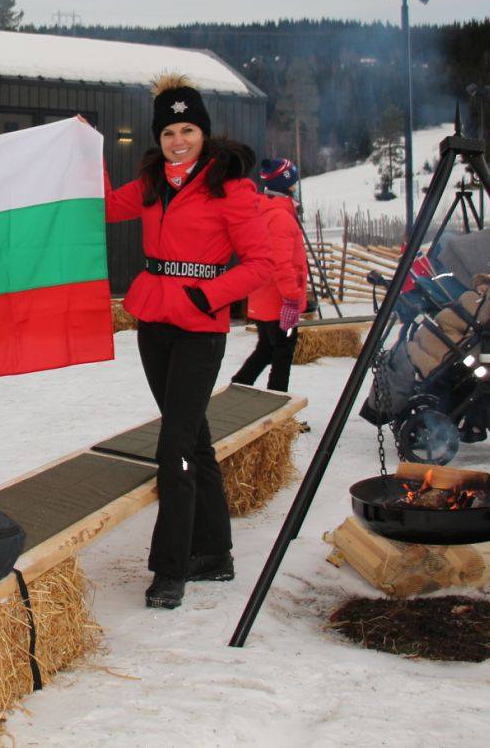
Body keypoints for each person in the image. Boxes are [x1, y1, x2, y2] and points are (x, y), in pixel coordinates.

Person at [106, 73, 275, 610]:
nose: (177, 141)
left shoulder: (231, 188)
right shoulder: (153, 184)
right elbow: (104, 207)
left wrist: (211, 295)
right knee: (195, 440)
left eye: (187, 129)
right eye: (169, 132)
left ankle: (170, 569)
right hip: (154, 322)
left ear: (203, 132)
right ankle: (214, 552)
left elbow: (263, 264)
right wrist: (79, 150)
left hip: (200, 329)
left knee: (174, 444)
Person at [231, 158, 308, 392]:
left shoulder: (265, 211)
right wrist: (292, 297)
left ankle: (239, 387)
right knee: (283, 352)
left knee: (266, 349)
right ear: (289, 185)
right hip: (279, 300)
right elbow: (280, 263)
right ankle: (277, 409)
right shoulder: (280, 217)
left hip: (265, 297)